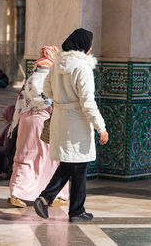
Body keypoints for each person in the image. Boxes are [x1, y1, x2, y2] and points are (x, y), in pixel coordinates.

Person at [33, 28, 109, 223]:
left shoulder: (57, 64)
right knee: (78, 165)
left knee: (71, 164)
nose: (91, 48)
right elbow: (88, 102)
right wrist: (101, 127)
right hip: (77, 122)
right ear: (84, 45)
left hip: (61, 117)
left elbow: (47, 89)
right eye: (90, 44)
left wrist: (62, 100)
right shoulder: (83, 68)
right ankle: (70, 208)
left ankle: (58, 203)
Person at [8, 46, 69, 208]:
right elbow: (56, 102)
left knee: (25, 156)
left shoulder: (31, 77)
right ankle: (56, 194)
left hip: (26, 123)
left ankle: (16, 192)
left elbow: (20, 102)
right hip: (45, 123)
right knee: (49, 158)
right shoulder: (52, 77)